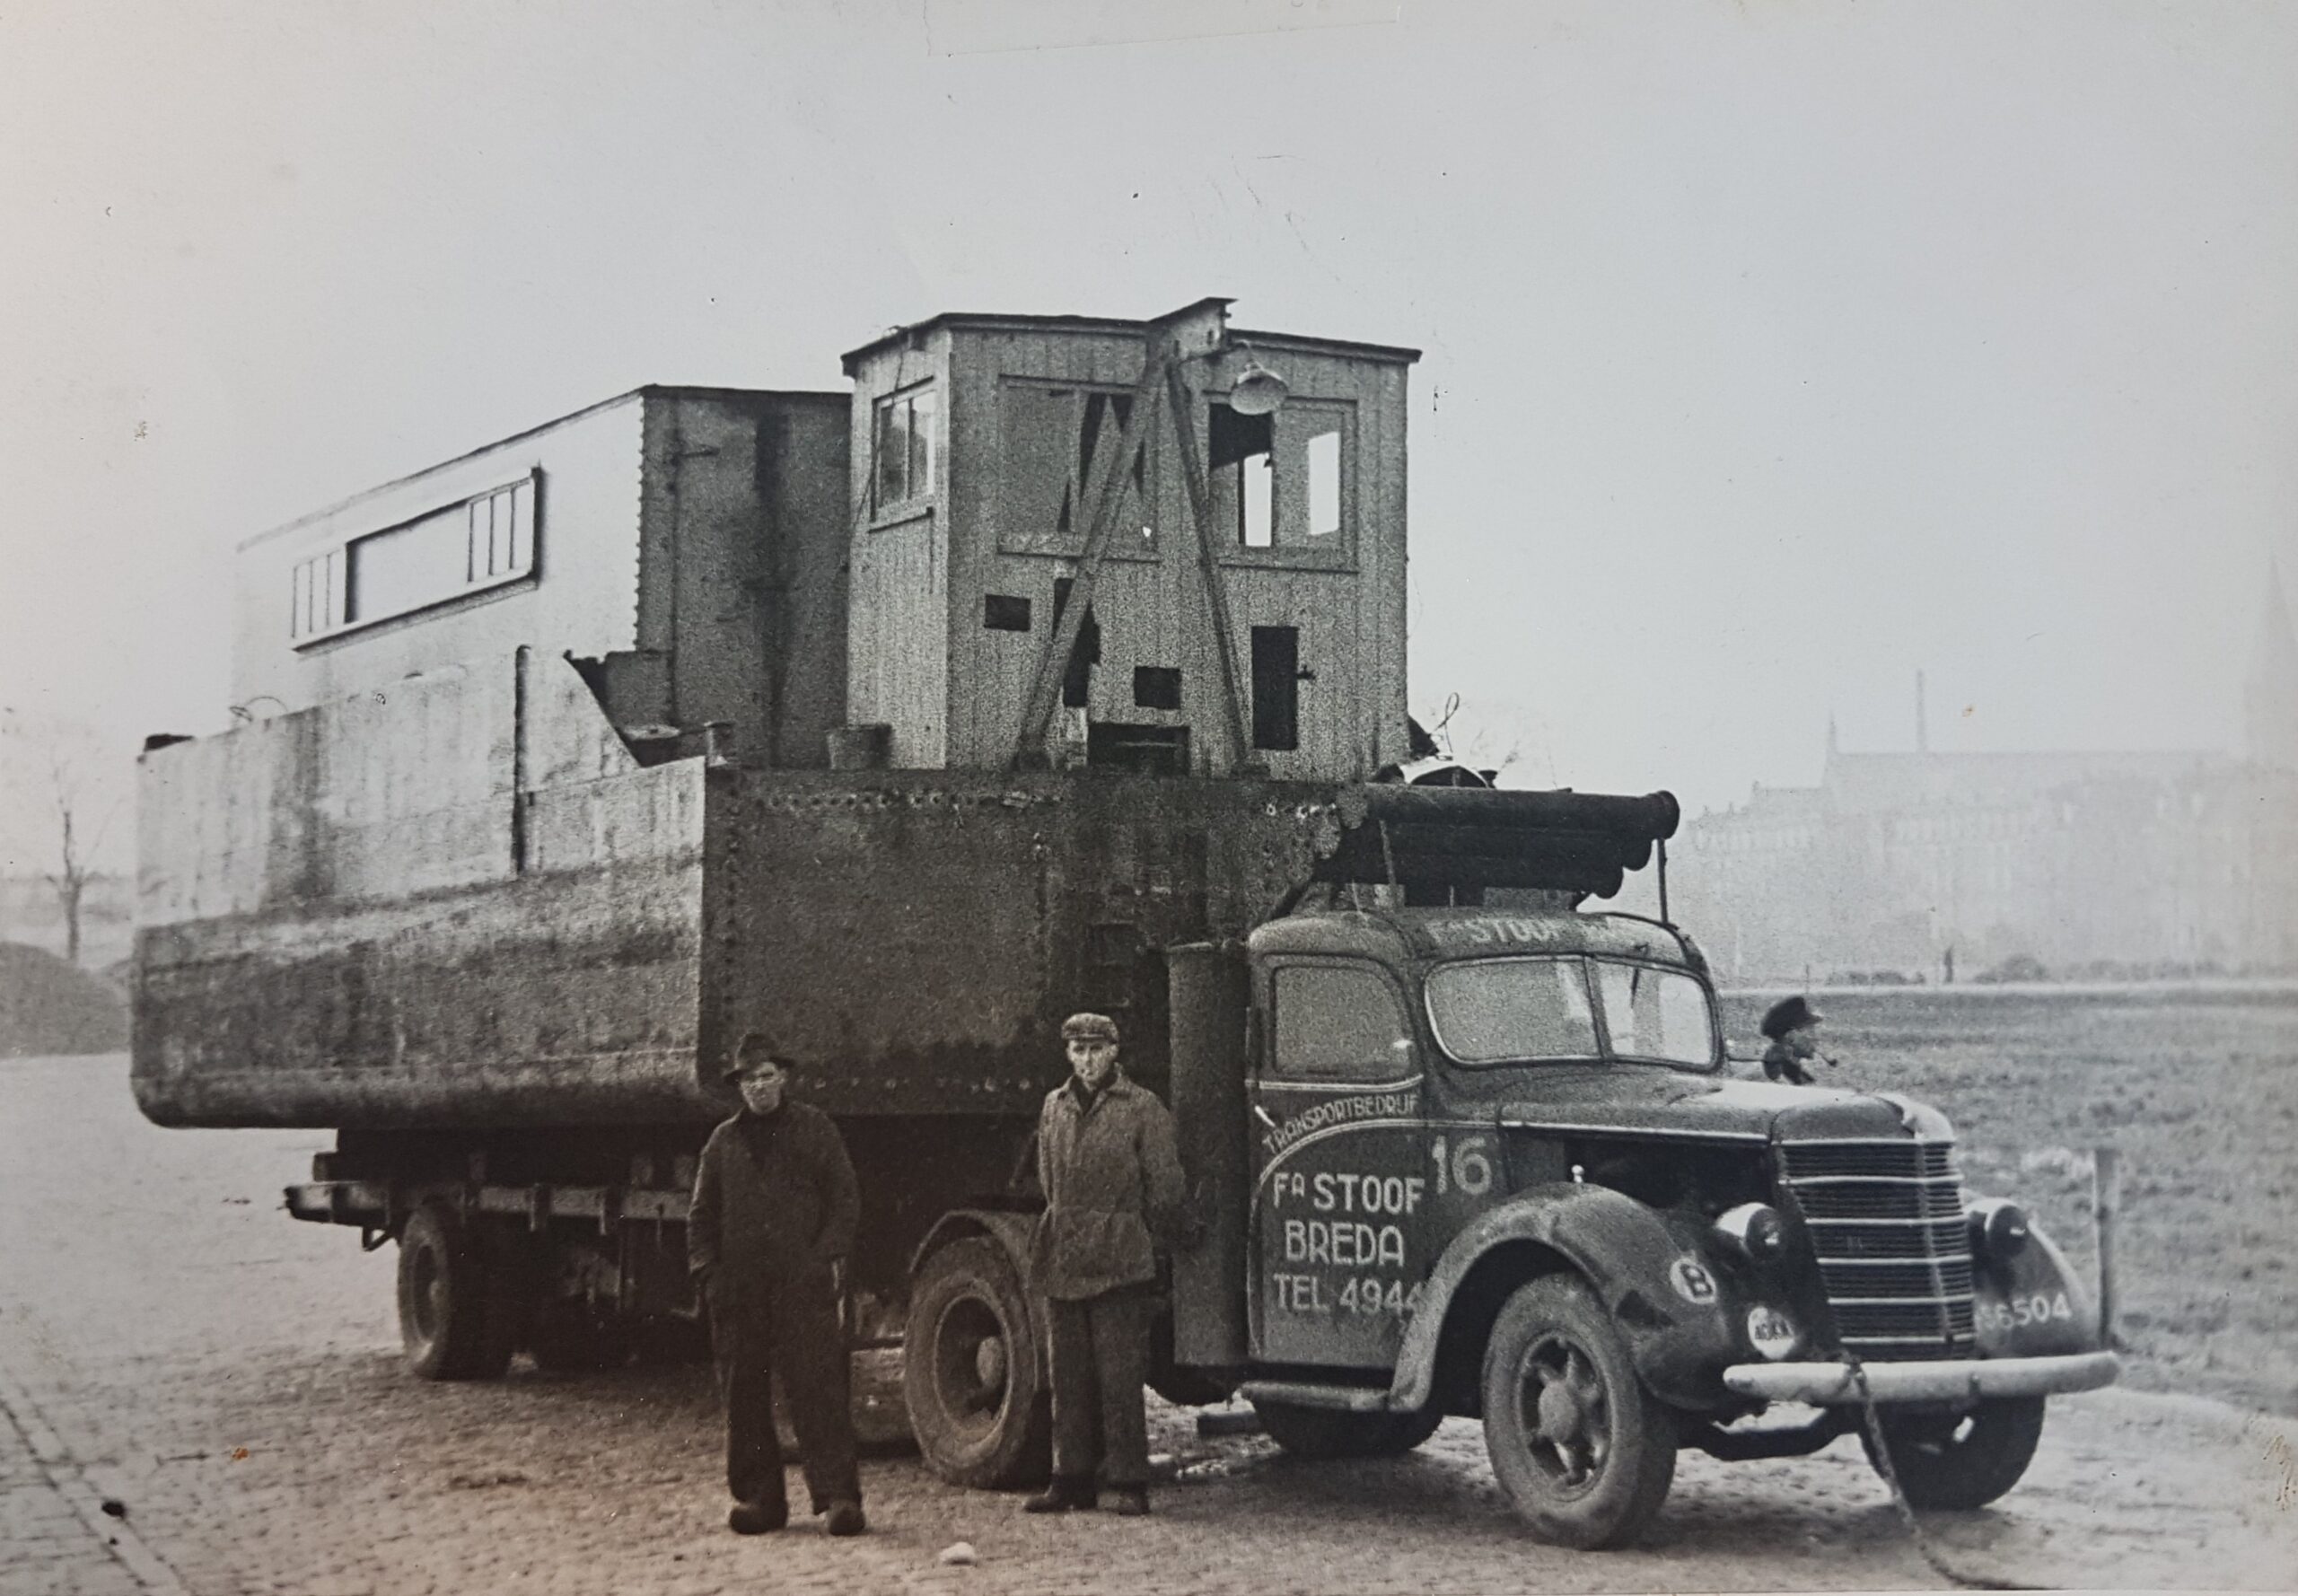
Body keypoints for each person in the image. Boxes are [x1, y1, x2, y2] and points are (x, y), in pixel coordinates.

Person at [688, 1031, 867, 1538]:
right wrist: (710, 1276)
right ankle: (761, 1500)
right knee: (744, 1397)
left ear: (783, 1078)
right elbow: (700, 1218)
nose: (759, 1087)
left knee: (817, 1390)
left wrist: (822, 1259)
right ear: (739, 1087)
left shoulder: (816, 1130)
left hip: (800, 1286)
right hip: (740, 1291)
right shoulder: (722, 1143)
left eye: (767, 1076)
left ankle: (838, 1499)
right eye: (749, 1079)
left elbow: (845, 1201)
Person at [1023, 1012, 1191, 1518]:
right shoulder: (1054, 1107)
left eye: (1097, 1049)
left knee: (1119, 1377)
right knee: (1067, 1375)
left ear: (1115, 1051)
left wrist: (1166, 1235)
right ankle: (1070, 1478)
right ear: (1067, 1054)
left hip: (1119, 1254)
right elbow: (1047, 1179)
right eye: (1078, 1050)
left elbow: (1165, 1186)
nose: (1088, 1060)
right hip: (1065, 1253)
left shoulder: (1142, 1109)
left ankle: (1127, 1481)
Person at [1759, 995, 1837, 1085]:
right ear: (1790, 1036)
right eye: (1806, 1029)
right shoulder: (1784, 1072)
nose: (1813, 1037)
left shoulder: (1787, 1063)